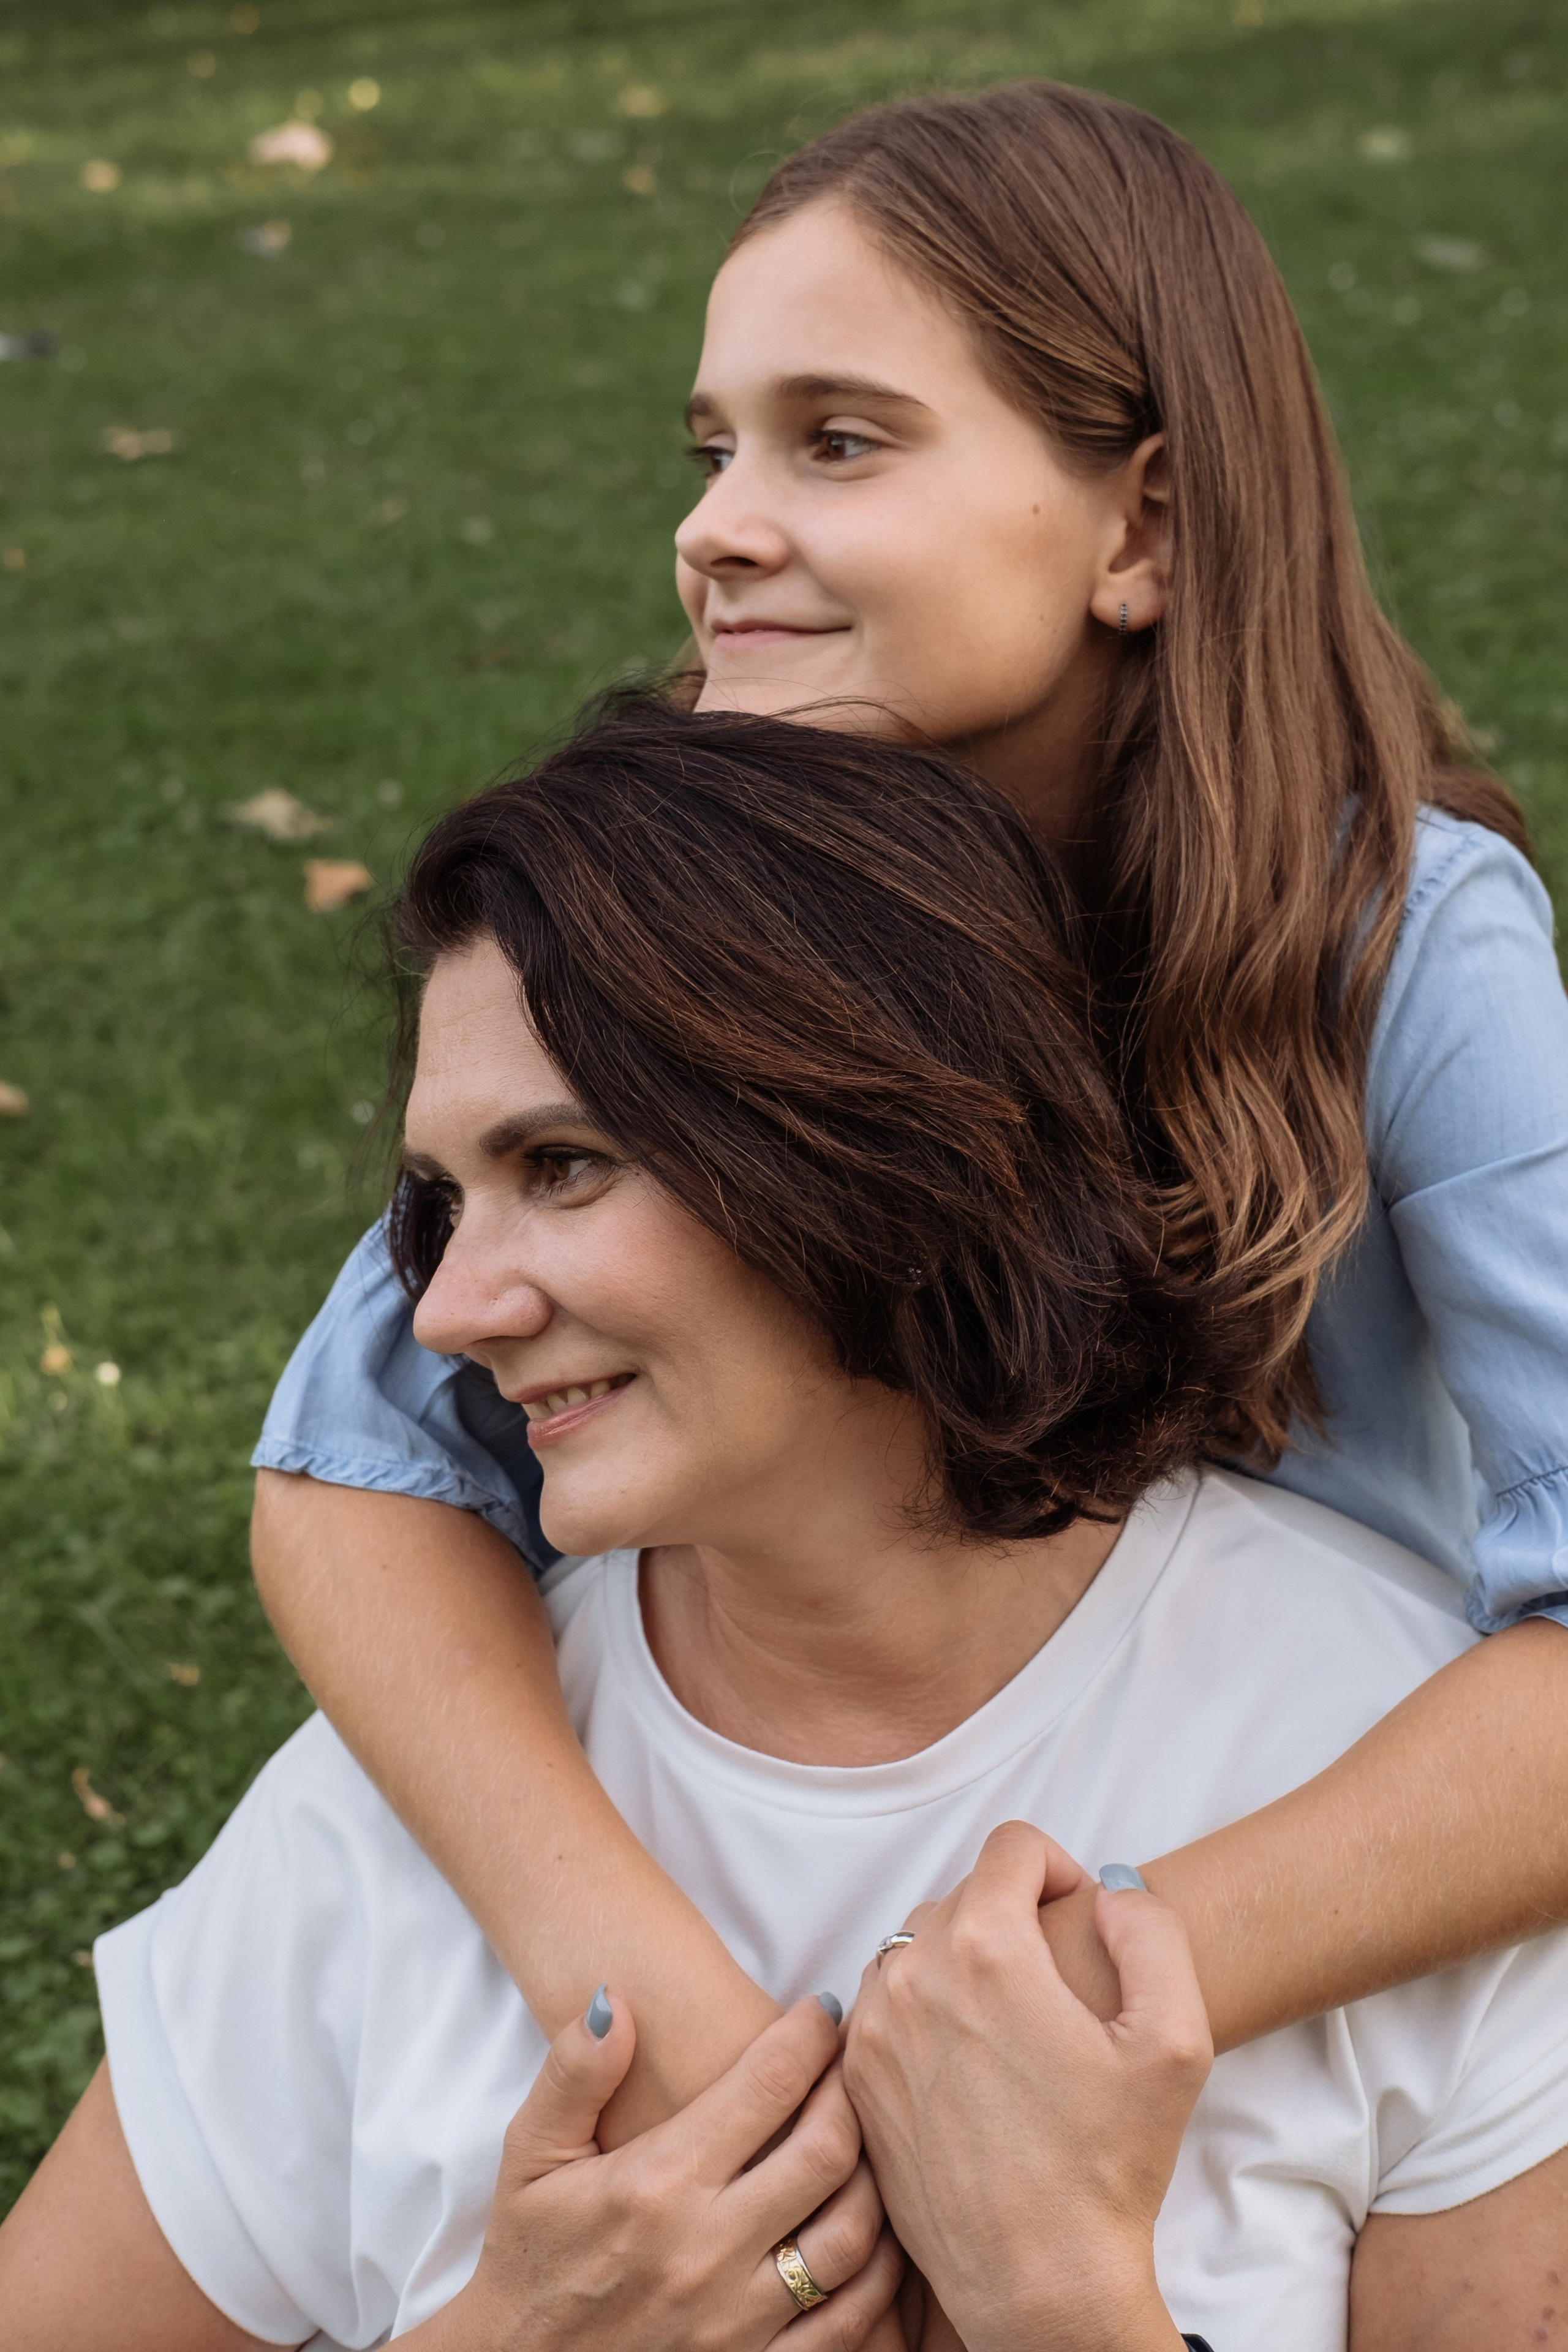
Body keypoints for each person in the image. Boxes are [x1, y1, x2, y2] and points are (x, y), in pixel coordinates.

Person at [251, 80, 1568, 2134]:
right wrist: (678, 2026)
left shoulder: (1398, 938)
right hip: (823, 1796)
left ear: (1140, 523)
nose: (713, 525)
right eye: (711, 450)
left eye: (836, 441)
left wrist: (1047, 2003)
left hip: (1294, 1883)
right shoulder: (699, 908)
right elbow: (353, 1479)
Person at [8, 704, 1568, 2351]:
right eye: (440, 1204)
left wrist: (1062, 2307)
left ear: (870, 1150)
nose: (451, 1307)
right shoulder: (393, 1811)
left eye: (563, 1166)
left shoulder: (1392, 1775)